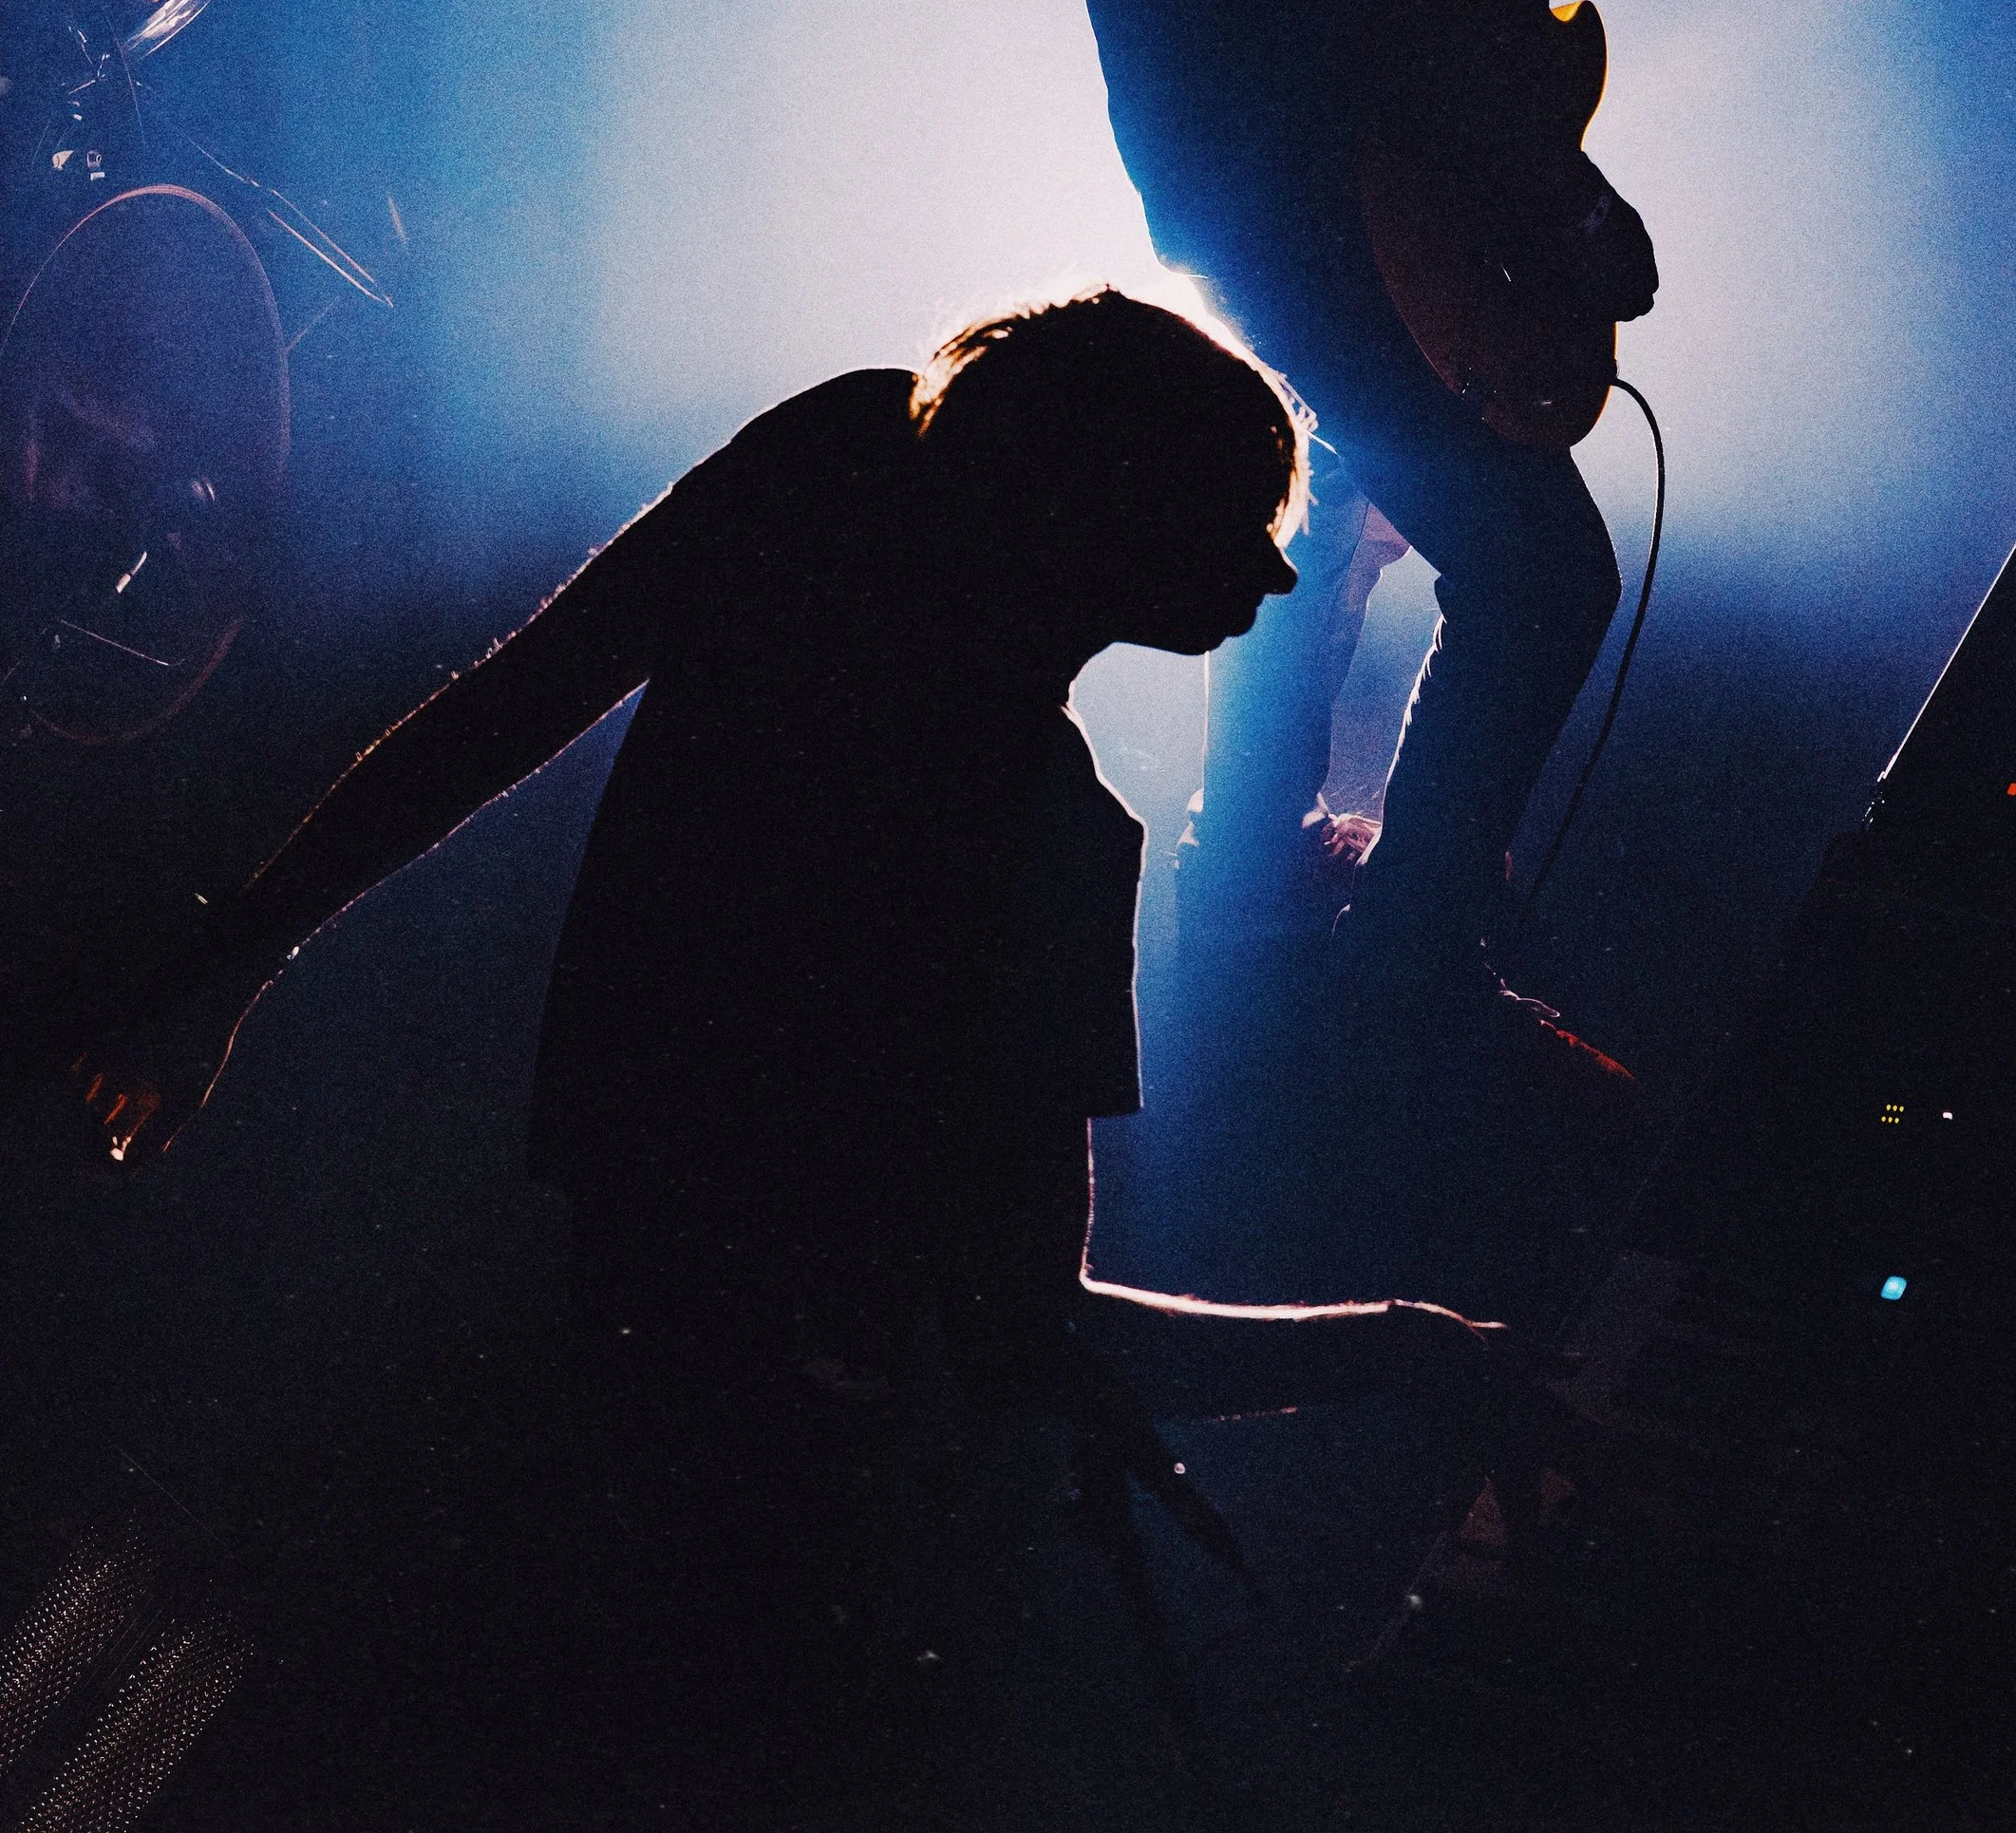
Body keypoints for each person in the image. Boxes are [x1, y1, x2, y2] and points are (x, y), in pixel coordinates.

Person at [72, 292, 1534, 1695]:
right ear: (1112, 513)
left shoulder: (839, 459)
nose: (1279, 576)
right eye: (1243, 524)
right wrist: (1406, 1347)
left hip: (569, 1239)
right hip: (795, 1455)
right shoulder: (1053, 835)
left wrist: (240, 961)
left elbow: (509, 708)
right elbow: (1028, 1334)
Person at [1045, 0, 1657, 1062]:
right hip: (1305, 184)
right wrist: (1511, 128)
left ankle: (1247, 882)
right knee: (1540, 571)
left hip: (1302, 176)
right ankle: (1407, 962)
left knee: (1338, 508)